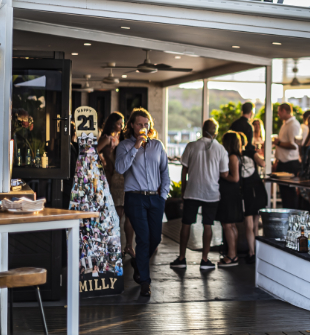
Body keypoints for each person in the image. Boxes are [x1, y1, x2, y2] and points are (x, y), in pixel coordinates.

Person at [115, 108, 170, 297]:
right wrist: (136, 146)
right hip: (135, 197)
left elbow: (165, 172)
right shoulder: (124, 146)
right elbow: (120, 168)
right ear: (132, 125)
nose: (143, 127)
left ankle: (139, 263)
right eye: (139, 124)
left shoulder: (157, 146)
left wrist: (163, 196)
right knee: (143, 238)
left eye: (146, 124)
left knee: (155, 238)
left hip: (155, 198)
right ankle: (145, 282)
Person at [171, 119, 229, 270]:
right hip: (211, 192)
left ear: (203, 130)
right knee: (208, 225)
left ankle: (181, 258)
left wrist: (183, 190)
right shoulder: (220, 149)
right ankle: (204, 260)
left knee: (186, 224)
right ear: (216, 132)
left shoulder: (191, 146)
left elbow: (184, 170)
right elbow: (224, 173)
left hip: (192, 191)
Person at [97, 112, 135, 258]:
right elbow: (94, 152)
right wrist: (104, 164)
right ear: (112, 124)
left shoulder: (121, 139)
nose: (121, 126)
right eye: (119, 123)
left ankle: (127, 246)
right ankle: (114, 246)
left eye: (122, 123)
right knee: (117, 214)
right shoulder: (108, 138)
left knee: (127, 213)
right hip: (115, 177)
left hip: (124, 177)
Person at [216, 131, 244, 267]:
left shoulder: (232, 157)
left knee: (227, 225)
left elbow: (235, 178)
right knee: (231, 225)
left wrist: (223, 175)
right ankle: (233, 254)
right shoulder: (237, 156)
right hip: (232, 194)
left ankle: (232, 255)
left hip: (229, 195)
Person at [239, 130, 267, 263]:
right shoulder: (250, 152)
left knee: (249, 223)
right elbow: (263, 163)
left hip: (246, 190)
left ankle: (252, 252)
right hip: (257, 188)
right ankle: (256, 252)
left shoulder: (234, 155)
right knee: (255, 224)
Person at [273, 103, 302, 208]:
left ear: (284, 111)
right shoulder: (285, 124)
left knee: (289, 194)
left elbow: (294, 145)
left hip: (289, 164)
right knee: (284, 194)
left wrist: (279, 143)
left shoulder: (293, 124)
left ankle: (291, 215)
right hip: (283, 162)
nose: (278, 114)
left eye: (279, 112)